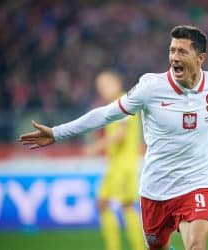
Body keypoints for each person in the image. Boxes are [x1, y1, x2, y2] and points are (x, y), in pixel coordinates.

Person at [19, 25, 208, 250]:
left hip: (197, 184)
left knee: (196, 246)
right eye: (171, 50)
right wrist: (57, 133)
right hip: (155, 189)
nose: (174, 56)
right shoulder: (150, 87)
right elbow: (105, 114)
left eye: (182, 51)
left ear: (201, 58)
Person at [82, 71, 144, 250]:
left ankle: (135, 247)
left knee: (123, 206)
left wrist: (96, 146)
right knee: (107, 204)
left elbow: (120, 135)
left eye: (106, 85)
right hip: (116, 164)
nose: (102, 90)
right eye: (100, 87)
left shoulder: (124, 101)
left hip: (124, 166)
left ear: (117, 83)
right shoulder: (114, 105)